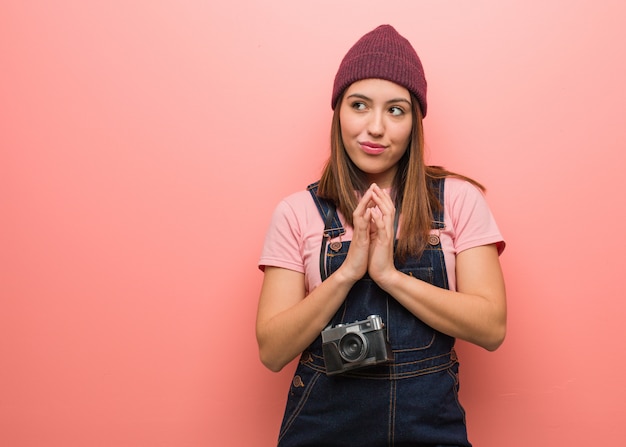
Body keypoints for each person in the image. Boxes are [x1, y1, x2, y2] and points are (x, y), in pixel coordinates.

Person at [256, 24, 506, 447]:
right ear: (338, 113)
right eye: (359, 105)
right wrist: (348, 272)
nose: (375, 127)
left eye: (395, 110)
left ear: (414, 123)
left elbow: (491, 327)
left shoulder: (458, 201)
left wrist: (389, 275)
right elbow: (272, 350)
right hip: (323, 427)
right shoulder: (297, 212)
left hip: (430, 425)